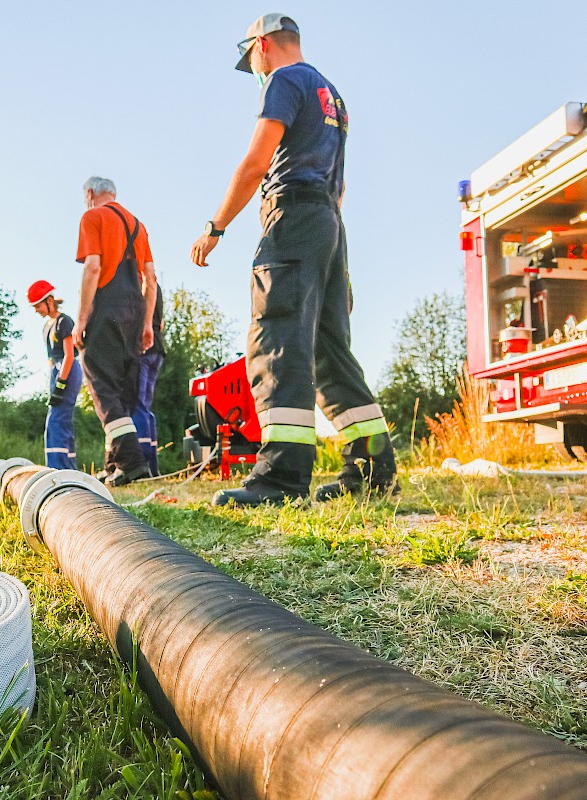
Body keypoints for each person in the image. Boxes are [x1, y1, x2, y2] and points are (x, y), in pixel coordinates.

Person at [189, 13, 399, 507]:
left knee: (276, 341)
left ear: (262, 44)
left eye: (252, 59)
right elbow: (338, 185)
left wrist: (215, 227)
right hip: (327, 223)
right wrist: (338, 269)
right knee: (330, 354)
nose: (256, 70)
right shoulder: (334, 96)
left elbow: (257, 160)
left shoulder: (285, 80)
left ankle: (281, 479)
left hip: (292, 219)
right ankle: (373, 470)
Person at [74, 176, 157, 486]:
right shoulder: (138, 225)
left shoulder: (92, 216)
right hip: (134, 311)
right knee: (120, 391)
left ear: (90, 193)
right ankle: (114, 467)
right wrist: (147, 323)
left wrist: (82, 319)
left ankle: (131, 461)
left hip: (106, 309)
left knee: (102, 388)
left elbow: (93, 267)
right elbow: (150, 278)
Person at [27, 279, 81, 469]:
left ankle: (59, 468)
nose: (36, 310)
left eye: (37, 306)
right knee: (61, 420)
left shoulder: (64, 321)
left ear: (49, 300)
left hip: (67, 370)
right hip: (55, 372)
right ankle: (68, 468)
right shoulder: (46, 326)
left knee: (56, 421)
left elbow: (69, 355)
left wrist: (61, 384)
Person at [131, 288, 165, 475]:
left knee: (138, 406)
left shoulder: (140, 281)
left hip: (144, 349)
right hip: (157, 348)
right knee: (145, 408)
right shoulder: (155, 287)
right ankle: (152, 466)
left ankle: (142, 463)